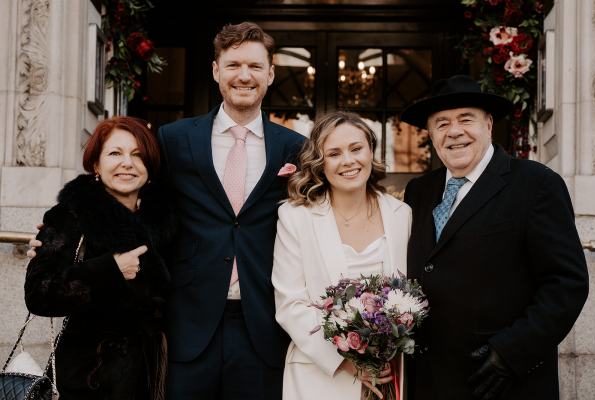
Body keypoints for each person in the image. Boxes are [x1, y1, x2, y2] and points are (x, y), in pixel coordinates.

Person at [400, 75, 589, 400]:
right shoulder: (418, 191)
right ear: (430, 134)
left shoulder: (535, 184)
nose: (454, 131)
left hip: (502, 382)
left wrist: (511, 353)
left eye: (465, 119)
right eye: (441, 123)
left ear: (488, 125)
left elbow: (566, 284)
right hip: (430, 381)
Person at [157, 22, 305, 399]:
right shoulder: (173, 140)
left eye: (255, 66)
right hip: (190, 324)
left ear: (270, 74)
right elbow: (145, 211)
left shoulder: (297, 148)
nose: (244, 76)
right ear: (216, 70)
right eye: (234, 64)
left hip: (264, 324)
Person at [24, 116, 176, 400]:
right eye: (115, 153)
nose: (127, 163)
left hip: (151, 379)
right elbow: (38, 294)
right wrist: (109, 270)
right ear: (96, 164)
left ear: (150, 167)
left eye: (137, 155)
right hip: (88, 377)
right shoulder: (70, 216)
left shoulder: (167, 222)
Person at [271, 111, 412, 400]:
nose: (348, 161)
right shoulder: (295, 217)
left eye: (356, 149)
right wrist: (348, 361)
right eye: (334, 154)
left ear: (371, 152)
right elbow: (291, 304)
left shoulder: (402, 215)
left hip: (388, 375)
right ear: (320, 164)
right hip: (319, 376)